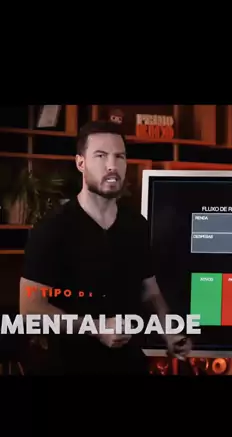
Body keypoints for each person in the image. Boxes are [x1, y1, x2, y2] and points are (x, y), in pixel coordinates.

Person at [19, 120, 191, 375]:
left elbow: (149, 289)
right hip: (69, 366)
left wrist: (169, 330)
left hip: (130, 365)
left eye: (119, 156)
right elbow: (30, 309)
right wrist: (97, 329)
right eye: (101, 156)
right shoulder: (52, 228)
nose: (112, 165)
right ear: (81, 163)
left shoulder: (136, 225)